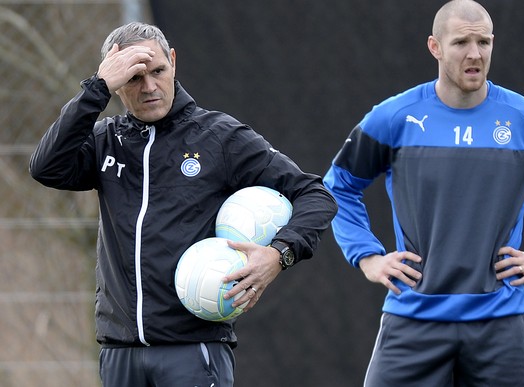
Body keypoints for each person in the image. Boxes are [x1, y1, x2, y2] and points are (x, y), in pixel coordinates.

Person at [29, 21, 337, 387]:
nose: (149, 87)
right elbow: (46, 167)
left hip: (193, 350)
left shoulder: (219, 137)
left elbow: (316, 195)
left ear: (173, 61)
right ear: (115, 84)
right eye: (133, 78)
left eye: (158, 71)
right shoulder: (106, 141)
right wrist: (95, 90)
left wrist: (277, 254)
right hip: (119, 352)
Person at [323, 0, 524, 385]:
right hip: (413, 319)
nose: (475, 54)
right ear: (435, 47)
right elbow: (338, 187)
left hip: (500, 323)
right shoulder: (396, 116)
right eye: (462, 42)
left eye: (485, 42)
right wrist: (368, 258)